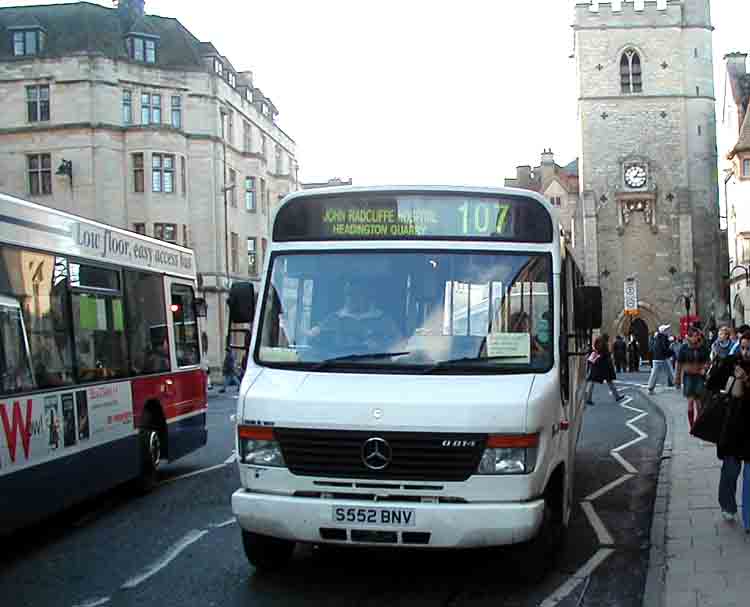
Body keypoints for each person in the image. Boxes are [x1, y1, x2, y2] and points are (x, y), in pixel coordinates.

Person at [310, 278, 401, 355]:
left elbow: (399, 343)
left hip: (376, 365)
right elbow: (316, 337)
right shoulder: (333, 318)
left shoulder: (383, 319)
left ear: (367, 296)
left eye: (357, 294)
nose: (352, 298)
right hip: (335, 365)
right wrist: (312, 335)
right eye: (349, 294)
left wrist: (381, 345)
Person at [715, 332, 750, 531]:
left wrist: (745, 380)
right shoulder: (731, 362)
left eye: (749, 348)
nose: (745, 352)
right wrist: (728, 377)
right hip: (733, 426)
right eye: (743, 347)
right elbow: (712, 384)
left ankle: (749, 519)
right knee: (730, 470)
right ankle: (727, 505)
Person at [675, 326, 710, 431]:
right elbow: (679, 364)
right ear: (689, 337)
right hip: (688, 377)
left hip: (699, 376)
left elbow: (708, 361)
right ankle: (692, 426)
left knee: (699, 404)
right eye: (694, 336)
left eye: (697, 335)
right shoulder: (684, 348)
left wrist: (705, 368)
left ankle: (698, 425)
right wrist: (677, 379)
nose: (696, 338)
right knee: (690, 403)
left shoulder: (703, 348)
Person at [584, 335, 624, 405]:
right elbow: (603, 353)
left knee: (593, 382)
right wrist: (608, 354)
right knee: (607, 381)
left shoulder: (598, 341)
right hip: (602, 365)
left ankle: (588, 398)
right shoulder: (603, 343)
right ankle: (617, 396)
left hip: (598, 365)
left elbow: (597, 350)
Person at [647, 324, 675, 394]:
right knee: (670, 371)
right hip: (662, 357)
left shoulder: (657, 337)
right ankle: (676, 384)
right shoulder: (663, 337)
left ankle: (650, 388)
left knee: (655, 373)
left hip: (657, 357)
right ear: (663, 331)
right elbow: (664, 348)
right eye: (667, 329)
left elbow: (653, 348)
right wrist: (671, 351)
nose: (668, 331)